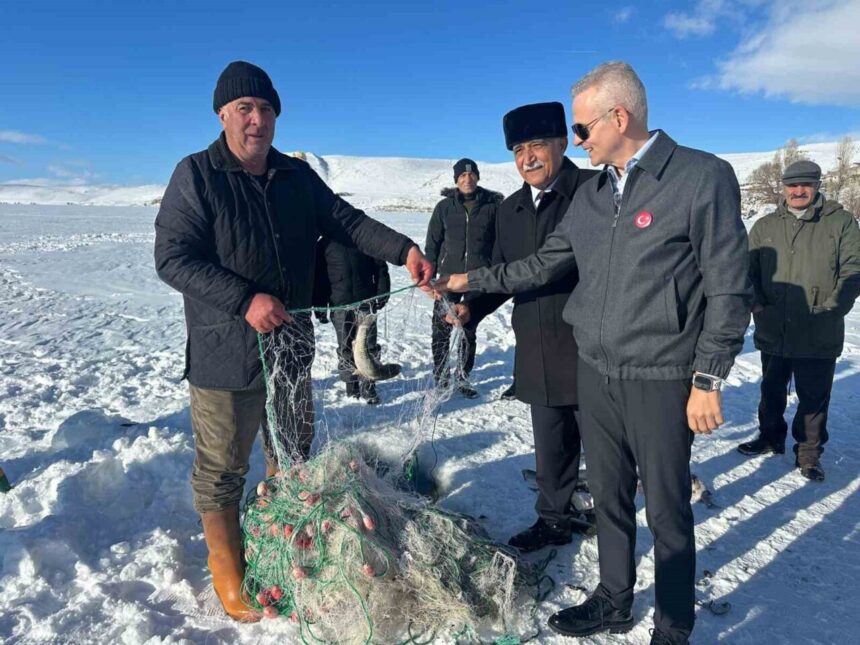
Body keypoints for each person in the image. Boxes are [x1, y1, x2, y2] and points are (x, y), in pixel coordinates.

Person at [437, 62, 751, 644]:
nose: (577, 140)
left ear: (619, 118)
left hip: (660, 374)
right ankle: (613, 598)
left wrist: (708, 377)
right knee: (608, 497)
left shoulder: (699, 177)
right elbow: (541, 265)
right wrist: (468, 281)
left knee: (666, 509)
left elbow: (730, 287)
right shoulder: (595, 193)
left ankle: (673, 625)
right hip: (595, 370)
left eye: (581, 129)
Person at [153, 61, 432, 622]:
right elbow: (173, 258)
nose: (256, 120)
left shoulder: (296, 176)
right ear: (223, 115)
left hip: (290, 351)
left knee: (291, 452)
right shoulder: (197, 174)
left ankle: (279, 536)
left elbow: (347, 221)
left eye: (266, 109)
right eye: (244, 109)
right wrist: (244, 299)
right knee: (222, 467)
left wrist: (403, 249)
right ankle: (227, 568)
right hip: (224, 354)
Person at [449, 103, 599, 551]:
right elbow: (504, 273)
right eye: (518, 150)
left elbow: (544, 268)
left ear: (562, 143)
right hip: (536, 345)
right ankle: (553, 520)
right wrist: (470, 309)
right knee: (550, 445)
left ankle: (612, 523)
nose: (527, 158)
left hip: (591, 346)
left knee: (605, 448)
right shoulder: (510, 209)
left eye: (536, 145)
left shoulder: (592, 192)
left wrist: (468, 281)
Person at [739, 160, 860, 481]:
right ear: (783, 187)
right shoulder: (765, 226)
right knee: (771, 389)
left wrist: (833, 308)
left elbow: (853, 269)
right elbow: (747, 270)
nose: (798, 190)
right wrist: (756, 302)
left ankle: (808, 453)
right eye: (792, 185)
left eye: (806, 184)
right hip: (773, 324)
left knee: (813, 396)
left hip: (818, 327)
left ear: (817, 185)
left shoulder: (840, 222)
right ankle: (770, 436)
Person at [425, 158, 501, 398]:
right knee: (440, 329)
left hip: (477, 278)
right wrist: (430, 277)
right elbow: (433, 243)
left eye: (471, 175)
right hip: (448, 279)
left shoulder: (492, 207)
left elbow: (498, 243)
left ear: (477, 177)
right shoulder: (444, 207)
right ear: (456, 180)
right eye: (462, 176)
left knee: (468, 330)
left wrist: (493, 272)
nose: (467, 179)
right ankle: (441, 379)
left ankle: (463, 378)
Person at [313, 237, 401, 405]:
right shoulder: (324, 244)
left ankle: (369, 385)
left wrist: (382, 291)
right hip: (339, 304)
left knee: (369, 346)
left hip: (365, 301)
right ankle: (351, 386)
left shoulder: (364, 238)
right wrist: (320, 306)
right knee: (345, 347)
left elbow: (380, 266)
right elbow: (319, 278)